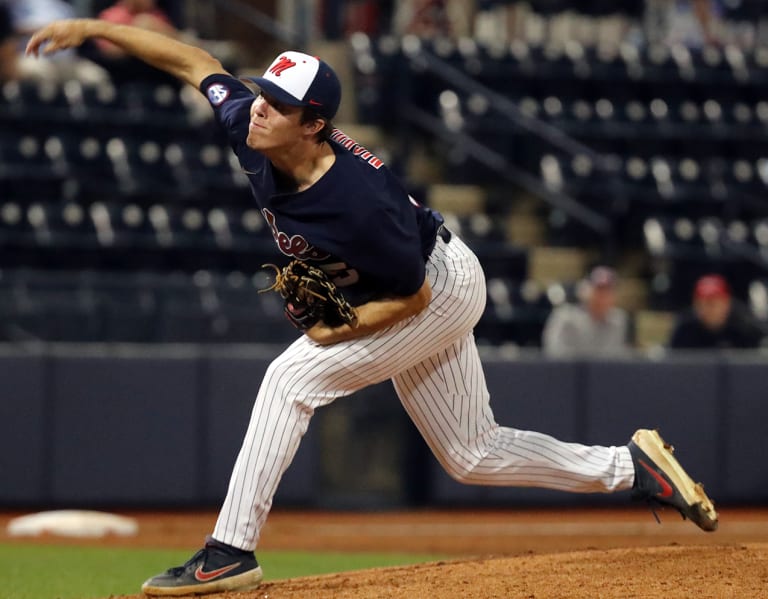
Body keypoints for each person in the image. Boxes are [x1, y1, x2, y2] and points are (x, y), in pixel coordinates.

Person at [27, 19, 718, 596]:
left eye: (276, 101)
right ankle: (633, 466)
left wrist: (342, 328)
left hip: (436, 286)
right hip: (413, 281)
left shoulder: (357, 201)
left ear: (315, 124)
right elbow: (195, 61)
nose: (257, 105)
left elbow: (413, 295)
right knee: (471, 453)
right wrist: (94, 28)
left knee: (290, 379)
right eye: (261, 92)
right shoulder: (253, 123)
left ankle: (228, 550)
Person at [542, 266, 631, 357]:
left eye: (608, 291)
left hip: (604, 371)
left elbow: (617, 358)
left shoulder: (619, 320)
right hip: (568, 370)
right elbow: (553, 354)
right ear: (585, 291)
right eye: (598, 290)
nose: (603, 297)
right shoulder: (565, 317)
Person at [669, 274, 766, 349]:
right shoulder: (685, 327)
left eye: (712, 302)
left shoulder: (746, 325)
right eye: (700, 303)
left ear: (726, 302)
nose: (706, 309)